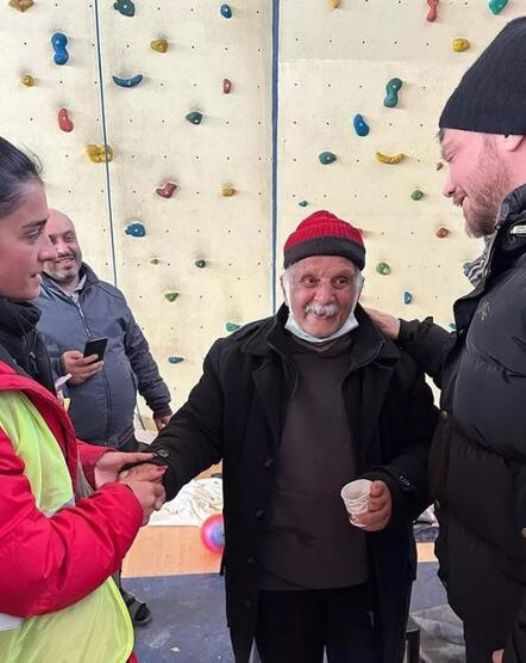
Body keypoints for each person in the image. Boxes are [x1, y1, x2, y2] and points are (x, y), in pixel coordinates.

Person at [123, 210, 438, 663]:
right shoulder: (239, 358)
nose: (324, 298)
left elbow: (427, 447)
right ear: (285, 283)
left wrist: (395, 485)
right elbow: (197, 428)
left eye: (341, 281)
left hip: (367, 579)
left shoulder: (393, 364)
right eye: (309, 280)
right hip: (274, 581)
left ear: (360, 287)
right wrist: (157, 472)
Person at [367, 17, 526, 663]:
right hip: (491, 602)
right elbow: (502, 381)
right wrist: (407, 332)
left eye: (453, 152)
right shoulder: (516, 262)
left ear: (510, 131)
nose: (448, 184)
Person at [0, 136, 166, 662]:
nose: (51, 251)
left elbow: (26, 460)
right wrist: (125, 503)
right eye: (34, 235)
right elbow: (31, 569)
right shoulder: (34, 314)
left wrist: (87, 466)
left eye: (63, 236)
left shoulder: (95, 301)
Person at [35, 208, 172, 453]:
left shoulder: (110, 296)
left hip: (125, 440)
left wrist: (160, 404)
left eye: (69, 238)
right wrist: (60, 370)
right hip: (71, 451)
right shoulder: (27, 308)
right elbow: (20, 376)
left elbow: (138, 354)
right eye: (51, 241)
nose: (63, 249)